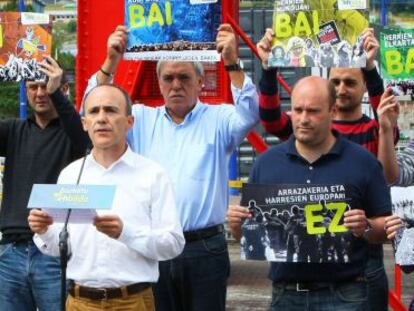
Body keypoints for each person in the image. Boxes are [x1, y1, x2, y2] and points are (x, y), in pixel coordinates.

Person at [84, 24, 259, 311]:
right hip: (155, 244)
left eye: (184, 77)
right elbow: (92, 108)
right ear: (159, 83)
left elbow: (250, 112)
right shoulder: (139, 120)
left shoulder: (219, 119)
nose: (176, 84)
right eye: (168, 78)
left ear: (200, 83)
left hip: (204, 248)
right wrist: (110, 62)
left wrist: (231, 62)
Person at [256, 27, 394, 310]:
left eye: (350, 82)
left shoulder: (370, 130)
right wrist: (268, 70)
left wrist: (369, 68)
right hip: (296, 277)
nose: (342, 89)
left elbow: (387, 119)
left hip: (359, 260)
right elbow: (270, 117)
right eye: (336, 82)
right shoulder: (299, 133)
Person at [228, 76, 391, 311]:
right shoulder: (265, 164)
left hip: (347, 295)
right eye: (298, 110)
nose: (303, 119)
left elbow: (387, 228)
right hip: (287, 296)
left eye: (313, 111)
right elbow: (249, 236)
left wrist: (365, 226)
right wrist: (236, 226)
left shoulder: (363, 162)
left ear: (332, 111)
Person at [28, 84, 185, 310]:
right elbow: (60, 248)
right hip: (79, 302)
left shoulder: (152, 174)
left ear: (129, 122)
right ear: (84, 124)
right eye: (94, 111)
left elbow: (173, 244)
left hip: (132, 302)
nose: (101, 118)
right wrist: (43, 231)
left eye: (111, 110)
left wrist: (125, 233)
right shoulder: (71, 174)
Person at [0, 56, 90, 310]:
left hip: (53, 252)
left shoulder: (72, 131)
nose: (40, 93)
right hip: (11, 251)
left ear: (61, 87)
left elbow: (85, 144)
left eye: (45, 86)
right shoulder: (14, 131)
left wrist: (58, 93)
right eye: (33, 87)